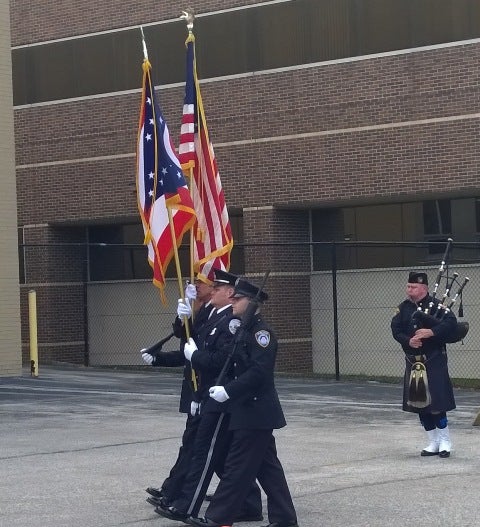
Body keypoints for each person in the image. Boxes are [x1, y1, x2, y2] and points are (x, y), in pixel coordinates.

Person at [188, 277, 299, 527]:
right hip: (247, 410)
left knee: (237, 467)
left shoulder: (262, 333)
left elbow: (259, 372)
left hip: (255, 410)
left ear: (252, 303)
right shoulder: (243, 330)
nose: (233, 302)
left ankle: (219, 519)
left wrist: (228, 391)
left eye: (238, 299)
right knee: (268, 470)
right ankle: (285, 520)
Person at [155, 269, 263, 523]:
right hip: (206, 394)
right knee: (223, 456)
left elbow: (219, 360)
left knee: (207, 453)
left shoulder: (232, 321)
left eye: (218, 289)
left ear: (229, 293)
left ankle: (186, 504)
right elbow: (190, 339)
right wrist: (182, 318)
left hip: (222, 397)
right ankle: (246, 503)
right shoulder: (211, 314)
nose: (211, 291)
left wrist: (199, 372)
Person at [143, 276, 214, 506]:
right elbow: (186, 346)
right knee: (203, 447)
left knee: (201, 446)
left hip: (207, 390)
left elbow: (200, 353)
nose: (194, 286)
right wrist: (158, 359)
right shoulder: (200, 313)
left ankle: (174, 491)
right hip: (195, 388)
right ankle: (172, 489)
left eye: (200, 282)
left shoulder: (216, 316)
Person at [391, 271, 457, 458]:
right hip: (413, 361)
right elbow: (395, 330)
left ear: (424, 288)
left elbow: (451, 324)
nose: (409, 289)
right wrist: (408, 340)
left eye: (413, 287)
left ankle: (445, 441)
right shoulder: (402, 308)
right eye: (408, 286)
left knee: (437, 402)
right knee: (420, 403)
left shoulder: (437, 306)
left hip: (434, 360)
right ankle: (433, 442)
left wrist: (431, 332)